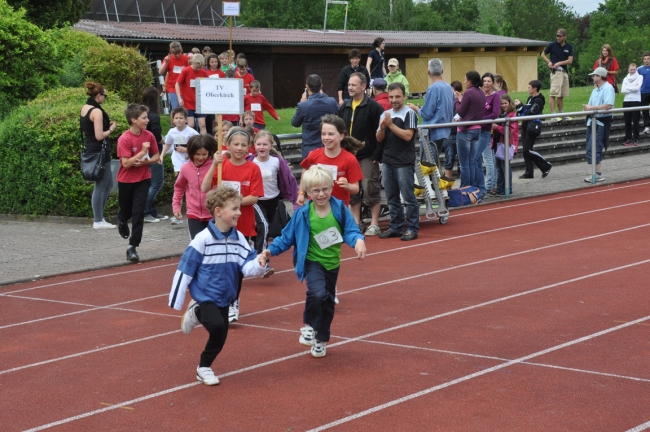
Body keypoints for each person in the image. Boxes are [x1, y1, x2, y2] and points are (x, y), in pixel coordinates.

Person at [262, 166, 366, 358]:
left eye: (325, 189)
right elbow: (286, 238)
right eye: (315, 190)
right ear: (307, 192)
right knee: (317, 293)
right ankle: (309, 326)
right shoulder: (303, 214)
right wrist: (270, 251)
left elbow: (350, 231)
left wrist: (358, 241)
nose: (321, 194)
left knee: (327, 302)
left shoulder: (340, 209)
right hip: (311, 261)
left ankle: (321, 339)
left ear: (331, 187)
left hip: (332, 263)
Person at [169, 186, 266, 386]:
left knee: (220, 333)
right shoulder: (202, 240)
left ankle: (204, 367)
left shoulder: (238, 238)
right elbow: (184, 270)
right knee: (216, 324)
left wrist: (259, 263)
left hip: (226, 296)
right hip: (205, 295)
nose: (239, 212)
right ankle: (196, 310)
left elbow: (246, 266)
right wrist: (176, 300)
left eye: (239, 208)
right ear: (218, 211)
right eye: (234, 208)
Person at [201, 127, 264, 322]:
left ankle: (232, 302)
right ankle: (217, 300)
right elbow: (204, 188)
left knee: (236, 267)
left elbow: (254, 197)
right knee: (218, 265)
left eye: (243, 145)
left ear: (249, 147)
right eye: (235, 144)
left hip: (242, 225)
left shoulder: (253, 168)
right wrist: (213, 165)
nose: (239, 148)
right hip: (219, 226)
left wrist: (232, 203)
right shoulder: (221, 166)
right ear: (228, 145)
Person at [247, 130, 298, 277]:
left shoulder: (277, 161)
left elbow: (289, 179)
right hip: (256, 199)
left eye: (265, 144)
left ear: (271, 145)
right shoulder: (251, 161)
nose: (261, 147)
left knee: (262, 229)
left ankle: (254, 250)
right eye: (259, 144)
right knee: (264, 225)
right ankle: (262, 262)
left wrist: (295, 199)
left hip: (273, 199)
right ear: (254, 145)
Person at [338, 72, 384, 235]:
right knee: (353, 189)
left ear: (363, 87)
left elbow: (380, 132)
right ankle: (357, 222)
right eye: (349, 85)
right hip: (348, 156)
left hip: (367, 155)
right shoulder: (345, 106)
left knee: (369, 186)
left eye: (353, 85)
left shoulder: (373, 107)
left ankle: (374, 223)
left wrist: (377, 155)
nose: (349, 87)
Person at [116, 104, 160, 262]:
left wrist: (145, 162)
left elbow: (157, 156)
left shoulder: (149, 136)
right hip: (126, 181)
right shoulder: (124, 139)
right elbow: (126, 164)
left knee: (138, 212)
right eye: (144, 118)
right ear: (134, 120)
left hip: (143, 179)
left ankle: (132, 247)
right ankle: (122, 218)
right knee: (127, 212)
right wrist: (141, 152)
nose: (147, 120)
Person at [376, 82, 419, 241]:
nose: (394, 100)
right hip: (387, 161)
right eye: (391, 96)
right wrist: (382, 128)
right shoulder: (385, 114)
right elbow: (379, 139)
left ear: (404, 96)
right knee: (391, 197)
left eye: (397, 97)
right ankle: (396, 226)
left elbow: (408, 136)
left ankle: (413, 228)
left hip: (404, 162)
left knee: (408, 197)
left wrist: (391, 125)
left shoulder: (410, 114)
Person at [298, 114, 363, 208]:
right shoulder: (313, 155)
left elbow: (356, 188)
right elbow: (305, 172)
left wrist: (348, 186)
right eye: (323, 134)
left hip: (338, 208)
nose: (326, 137)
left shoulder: (350, 159)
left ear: (341, 136)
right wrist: (301, 192)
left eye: (331, 134)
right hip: (315, 207)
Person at [80, 82, 117, 229]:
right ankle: (98, 220)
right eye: (105, 96)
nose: (105, 99)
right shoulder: (97, 111)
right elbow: (99, 135)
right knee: (101, 185)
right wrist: (112, 129)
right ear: (99, 96)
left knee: (107, 184)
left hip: (92, 149)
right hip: (99, 151)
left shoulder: (85, 108)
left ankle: (100, 218)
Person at [407, 59, 453, 173]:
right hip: (444, 130)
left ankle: (430, 190)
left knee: (427, 166)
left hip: (431, 132)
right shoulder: (449, 88)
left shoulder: (433, 89)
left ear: (428, 72)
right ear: (442, 71)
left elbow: (427, 114)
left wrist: (415, 108)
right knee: (436, 165)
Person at [173, 134, 218, 240]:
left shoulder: (215, 166)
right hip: (194, 214)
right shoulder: (185, 168)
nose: (201, 157)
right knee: (197, 246)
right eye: (197, 154)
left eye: (204, 154)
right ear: (191, 152)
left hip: (213, 214)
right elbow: (179, 187)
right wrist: (176, 206)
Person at [291, 74, 339, 159]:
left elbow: (295, 123)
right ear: (321, 86)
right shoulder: (331, 102)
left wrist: (302, 102)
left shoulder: (303, 106)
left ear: (307, 87)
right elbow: (340, 112)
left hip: (310, 149)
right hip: (329, 147)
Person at [454, 71, 486, 190]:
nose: (464, 81)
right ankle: (472, 188)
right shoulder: (481, 93)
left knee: (464, 164)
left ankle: (465, 188)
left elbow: (461, 112)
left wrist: (457, 100)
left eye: (465, 79)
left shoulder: (469, 92)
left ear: (470, 81)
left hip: (465, 130)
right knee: (472, 161)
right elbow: (471, 109)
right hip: (477, 129)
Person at [140, 86, 167, 224]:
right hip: (154, 150)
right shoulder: (153, 116)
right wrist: (166, 141)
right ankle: (144, 210)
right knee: (157, 182)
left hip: (144, 150)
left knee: (150, 182)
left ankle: (151, 210)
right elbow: (156, 136)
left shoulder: (142, 113)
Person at [583, 67, 615, 183]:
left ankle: (597, 174)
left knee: (595, 147)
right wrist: (588, 108)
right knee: (590, 148)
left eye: (594, 75)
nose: (592, 77)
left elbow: (608, 106)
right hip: (592, 121)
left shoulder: (608, 88)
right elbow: (592, 105)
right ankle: (595, 173)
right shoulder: (595, 90)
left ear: (599, 77)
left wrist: (592, 108)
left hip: (601, 123)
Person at [515, 80, 552, 179]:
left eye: (529, 87)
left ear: (535, 88)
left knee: (527, 149)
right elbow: (525, 111)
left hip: (532, 127)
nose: (528, 89)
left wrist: (520, 107)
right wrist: (521, 107)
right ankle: (529, 172)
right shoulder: (530, 98)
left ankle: (546, 165)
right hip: (525, 125)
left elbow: (531, 113)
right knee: (525, 150)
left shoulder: (539, 100)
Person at [541, 28, 573, 121]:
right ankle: (553, 115)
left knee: (561, 94)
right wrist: (549, 62)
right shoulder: (552, 45)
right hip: (556, 72)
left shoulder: (569, 47)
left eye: (560, 36)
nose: (558, 38)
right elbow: (543, 54)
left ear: (565, 36)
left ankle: (561, 114)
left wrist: (559, 63)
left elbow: (570, 60)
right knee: (553, 93)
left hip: (564, 72)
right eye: (557, 36)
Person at [491, 93, 519, 196]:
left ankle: (508, 188)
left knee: (505, 167)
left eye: (505, 103)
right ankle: (501, 188)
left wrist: (497, 127)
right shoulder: (500, 114)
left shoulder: (512, 115)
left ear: (509, 102)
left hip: (506, 143)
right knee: (499, 167)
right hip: (498, 142)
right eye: (501, 103)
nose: (503, 105)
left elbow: (510, 132)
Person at [176, 54, 209, 134]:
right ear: (192, 63)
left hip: (200, 103)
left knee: (202, 124)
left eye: (200, 67)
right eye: (196, 67)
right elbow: (177, 83)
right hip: (188, 102)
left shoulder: (203, 72)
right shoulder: (186, 71)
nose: (198, 69)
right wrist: (179, 98)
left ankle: (203, 144)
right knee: (191, 125)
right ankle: (191, 143)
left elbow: (208, 85)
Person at [479, 73, 501, 197]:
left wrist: (481, 120)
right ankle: (491, 184)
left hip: (486, 129)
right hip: (478, 129)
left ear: (492, 83)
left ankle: (489, 185)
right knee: (488, 158)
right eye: (484, 81)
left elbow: (495, 113)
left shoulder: (495, 96)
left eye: (488, 81)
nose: (486, 83)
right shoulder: (481, 95)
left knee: (488, 158)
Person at [158, 41, 188, 109]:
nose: (177, 55)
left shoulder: (185, 59)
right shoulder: (168, 59)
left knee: (183, 107)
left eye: (179, 53)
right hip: (172, 87)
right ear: (171, 52)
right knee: (175, 107)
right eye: (175, 54)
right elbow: (160, 71)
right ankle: (174, 119)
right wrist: (166, 63)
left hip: (183, 87)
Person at [621, 63, 644, 146]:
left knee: (636, 121)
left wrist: (628, 88)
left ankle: (636, 138)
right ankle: (628, 138)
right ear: (628, 70)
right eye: (631, 69)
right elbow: (623, 90)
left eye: (634, 69)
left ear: (636, 70)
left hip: (636, 101)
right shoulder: (625, 79)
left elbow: (637, 88)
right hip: (626, 101)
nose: (632, 71)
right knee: (627, 121)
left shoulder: (640, 77)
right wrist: (632, 88)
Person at [636, 52, 650, 135]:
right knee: (645, 110)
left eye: (648, 59)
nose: (646, 60)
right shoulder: (639, 69)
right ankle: (647, 126)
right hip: (643, 92)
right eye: (645, 59)